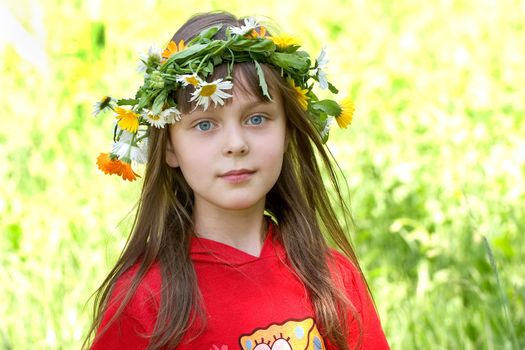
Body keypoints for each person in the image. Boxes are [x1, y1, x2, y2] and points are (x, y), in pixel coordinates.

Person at [86, 11, 389, 350]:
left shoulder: (334, 281)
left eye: (257, 118)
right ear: (170, 146)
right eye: (205, 124)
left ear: (287, 130)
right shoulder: (144, 301)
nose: (235, 144)